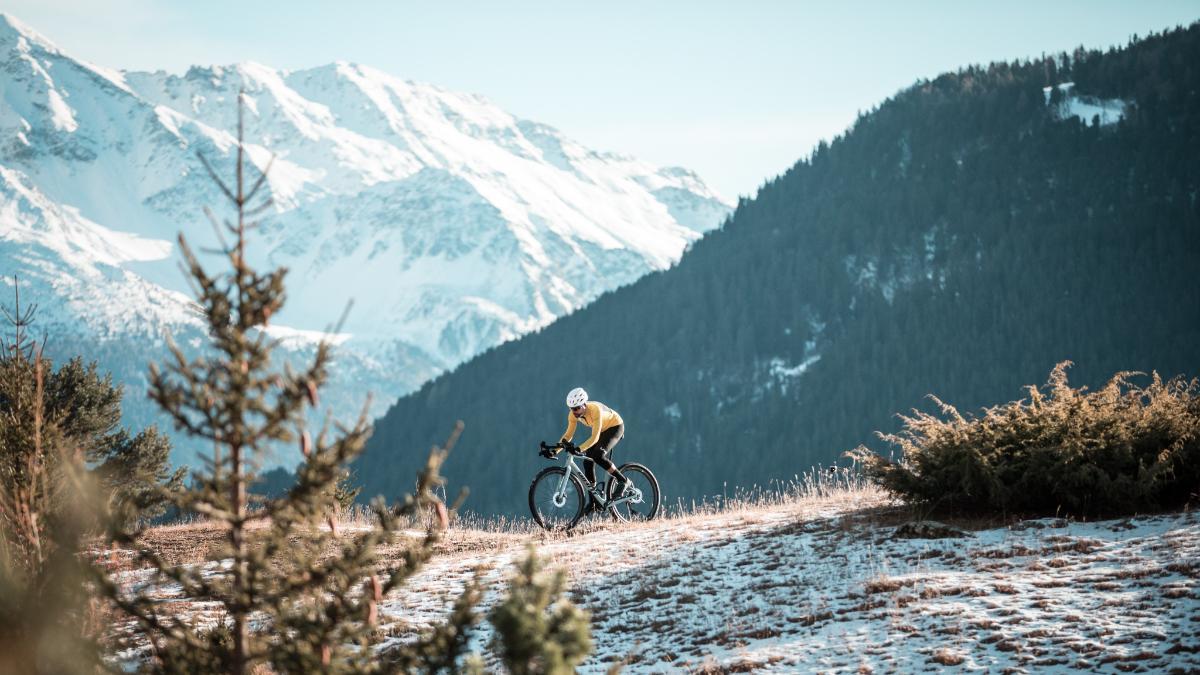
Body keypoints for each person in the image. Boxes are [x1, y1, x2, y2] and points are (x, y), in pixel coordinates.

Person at [555, 387, 629, 512]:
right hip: (602, 431)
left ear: (584, 404)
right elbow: (567, 436)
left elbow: (594, 438)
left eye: (577, 408)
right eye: (571, 408)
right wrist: (554, 450)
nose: (574, 412)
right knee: (587, 462)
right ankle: (594, 501)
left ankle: (623, 480)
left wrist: (579, 448)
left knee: (598, 456)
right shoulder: (573, 415)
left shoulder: (595, 410)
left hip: (615, 427)